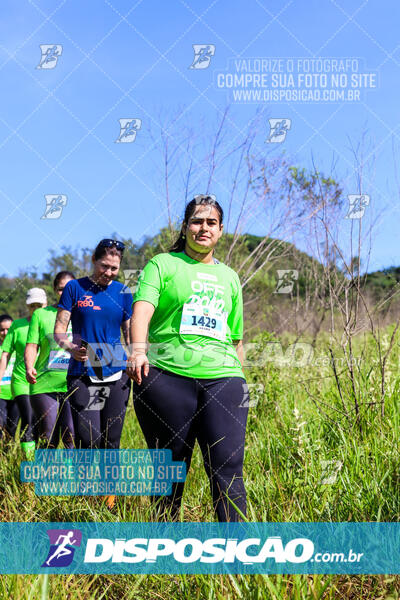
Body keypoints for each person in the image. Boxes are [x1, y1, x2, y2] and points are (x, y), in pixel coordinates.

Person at [127, 195, 249, 522]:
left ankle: (237, 558)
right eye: (197, 221)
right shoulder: (162, 265)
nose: (203, 228)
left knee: (228, 468)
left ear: (221, 230)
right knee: (170, 468)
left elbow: (235, 338)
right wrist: (138, 350)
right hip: (166, 377)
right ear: (185, 227)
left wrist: (242, 378)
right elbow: (141, 312)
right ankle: (165, 553)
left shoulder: (230, 278)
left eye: (211, 222)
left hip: (223, 377)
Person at [54, 239, 132, 452]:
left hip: (117, 373)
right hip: (83, 374)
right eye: (104, 266)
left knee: (111, 443)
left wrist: (136, 356)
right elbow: (59, 329)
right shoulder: (74, 288)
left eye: (114, 268)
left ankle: (109, 486)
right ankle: (85, 486)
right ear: (93, 260)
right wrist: (70, 348)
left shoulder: (124, 292)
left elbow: (130, 333)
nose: (108, 272)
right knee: (89, 439)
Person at [25, 272, 75, 449]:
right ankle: (46, 476)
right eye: (61, 289)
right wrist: (29, 366)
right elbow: (32, 345)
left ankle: (71, 475)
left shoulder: (82, 314)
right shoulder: (41, 314)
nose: (64, 292)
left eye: (69, 288)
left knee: (71, 436)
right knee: (48, 436)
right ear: (55, 290)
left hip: (74, 383)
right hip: (45, 384)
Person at [0, 288, 47, 457]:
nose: (35, 308)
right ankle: (29, 464)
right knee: (29, 420)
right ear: (27, 306)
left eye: (39, 305)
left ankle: (42, 463)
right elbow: (5, 354)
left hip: (45, 381)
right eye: (32, 305)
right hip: (21, 381)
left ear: (46, 304)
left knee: (45, 425)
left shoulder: (50, 322)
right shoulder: (17, 325)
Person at [0, 314, 20, 441]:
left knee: (12, 429)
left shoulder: (21, 347)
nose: (5, 332)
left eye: (9, 329)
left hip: (17, 393)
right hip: (1, 394)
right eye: (2, 329)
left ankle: (8, 456)